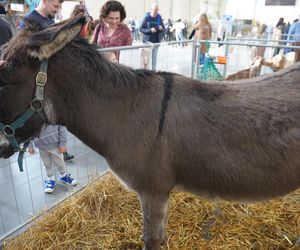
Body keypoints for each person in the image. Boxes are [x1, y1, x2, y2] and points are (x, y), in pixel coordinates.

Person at [18, 0, 75, 163]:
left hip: (51, 79)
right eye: (55, 6)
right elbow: (25, 53)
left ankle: (61, 150)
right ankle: (36, 146)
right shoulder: (29, 22)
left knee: (58, 117)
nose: (57, 10)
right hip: (37, 81)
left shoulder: (50, 21)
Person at [28, 126, 77, 193]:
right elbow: (28, 129)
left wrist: (63, 143)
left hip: (55, 144)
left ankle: (63, 175)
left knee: (59, 161)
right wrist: (30, 145)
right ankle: (50, 179)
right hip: (40, 146)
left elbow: (62, 127)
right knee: (46, 163)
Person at [140, 2, 165, 70]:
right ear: (151, 9)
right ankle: (145, 73)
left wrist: (161, 28)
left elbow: (163, 28)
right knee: (146, 59)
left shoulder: (159, 17)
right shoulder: (146, 17)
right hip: (147, 42)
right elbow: (141, 29)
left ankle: (153, 72)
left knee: (154, 58)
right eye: (155, 9)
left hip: (156, 42)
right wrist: (150, 30)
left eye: (157, 9)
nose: (156, 11)